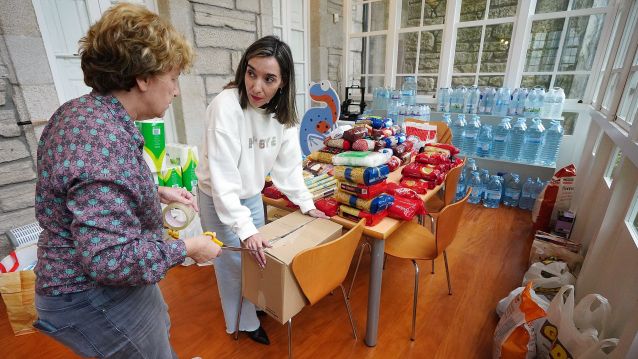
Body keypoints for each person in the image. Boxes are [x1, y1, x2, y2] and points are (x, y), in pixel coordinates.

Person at [32, 4, 221, 358]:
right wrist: (189, 249)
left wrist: (154, 191)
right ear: (144, 78)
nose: (176, 91)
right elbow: (110, 258)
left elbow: (91, 190)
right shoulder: (101, 139)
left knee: (158, 325)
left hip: (102, 285)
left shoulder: (82, 112)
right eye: (174, 78)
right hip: (90, 292)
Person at [196, 36, 329, 345]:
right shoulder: (225, 108)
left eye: (269, 79)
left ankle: (254, 306)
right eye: (251, 73)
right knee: (231, 267)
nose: (256, 87)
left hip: (251, 195)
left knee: (257, 260)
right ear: (243, 69)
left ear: (282, 83)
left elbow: (288, 168)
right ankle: (242, 323)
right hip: (217, 198)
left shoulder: (281, 117)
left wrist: (306, 204)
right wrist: (244, 229)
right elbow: (223, 179)